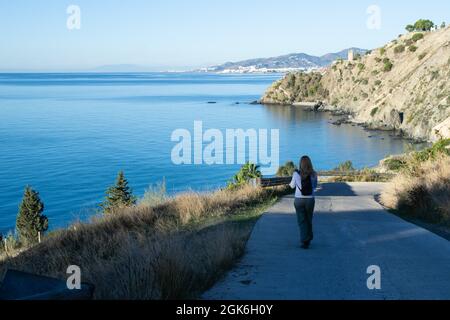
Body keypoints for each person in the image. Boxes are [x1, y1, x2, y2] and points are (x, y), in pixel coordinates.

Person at [290, 156, 318, 249]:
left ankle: (304, 240)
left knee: (302, 220)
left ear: (300, 164)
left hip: (298, 199)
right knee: (309, 219)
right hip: (310, 199)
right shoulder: (314, 174)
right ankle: (309, 238)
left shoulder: (296, 174)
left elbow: (292, 186)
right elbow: (314, 186)